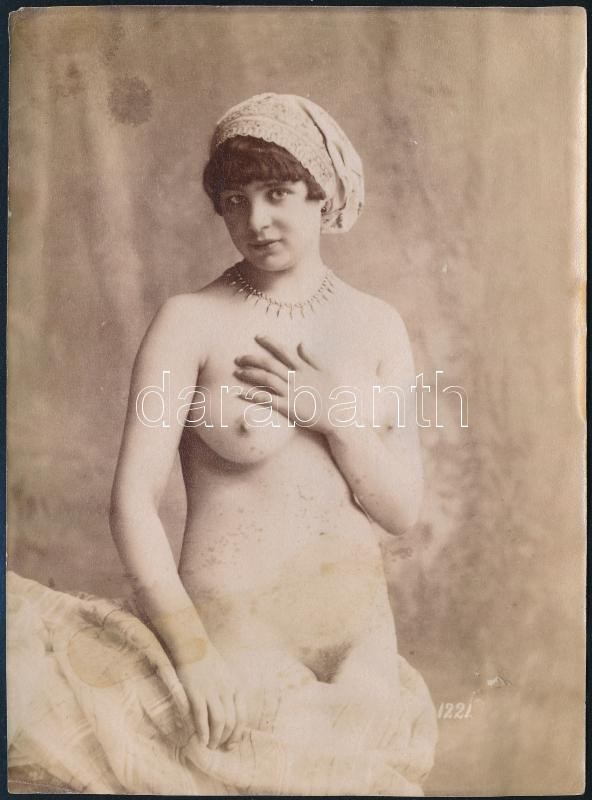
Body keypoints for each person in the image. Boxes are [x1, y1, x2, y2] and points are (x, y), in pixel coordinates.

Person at [7, 93, 437, 796]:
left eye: (277, 194)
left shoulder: (379, 325)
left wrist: (336, 417)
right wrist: (194, 654)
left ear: (322, 193)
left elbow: (402, 509)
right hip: (237, 638)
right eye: (236, 201)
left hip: (362, 648)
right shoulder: (190, 323)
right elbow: (133, 502)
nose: (256, 220)